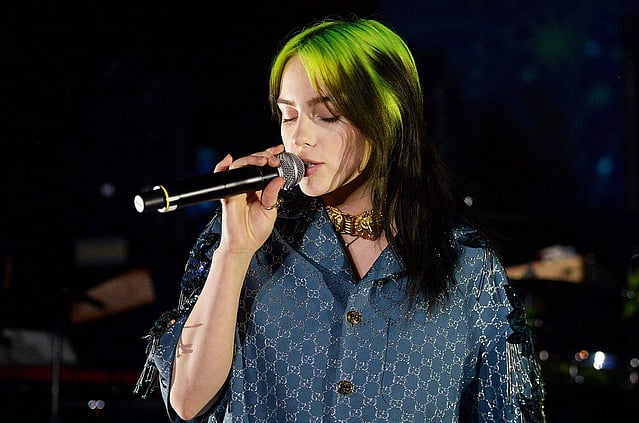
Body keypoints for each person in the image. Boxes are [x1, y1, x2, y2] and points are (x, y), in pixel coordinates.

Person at [134, 16, 546, 422]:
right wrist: (235, 252)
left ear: (388, 116)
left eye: (327, 115)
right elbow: (187, 401)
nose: (299, 137)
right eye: (289, 115)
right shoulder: (250, 233)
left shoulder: (465, 264)